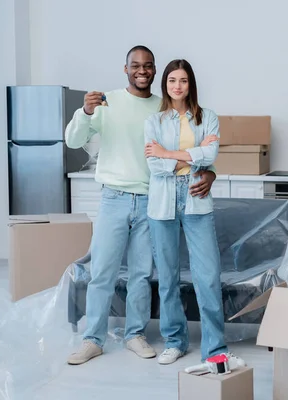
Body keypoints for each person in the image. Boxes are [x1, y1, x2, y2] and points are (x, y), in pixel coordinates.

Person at [64, 46, 218, 366]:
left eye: (148, 66)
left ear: (155, 71)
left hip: (152, 199)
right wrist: (86, 112)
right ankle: (92, 339)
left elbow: (194, 155)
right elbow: (73, 140)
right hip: (114, 197)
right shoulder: (107, 101)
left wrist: (206, 169)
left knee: (140, 275)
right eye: (136, 65)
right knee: (102, 271)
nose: (142, 70)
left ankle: (135, 334)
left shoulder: (161, 108)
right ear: (126, 69)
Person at [144, 59, 243, 366]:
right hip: (162, 202)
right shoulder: (154, 121)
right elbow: (154, 166)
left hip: (196, 196)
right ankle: (174, 340)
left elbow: (210, 155)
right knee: (168, 277)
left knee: (208, 276)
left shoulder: (208, 117)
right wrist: (192, 156)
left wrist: (168, 153)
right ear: (165, 84)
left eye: (183, 80)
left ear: (191, 84)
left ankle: (214, 349)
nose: (177, 86)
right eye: (172, 80)